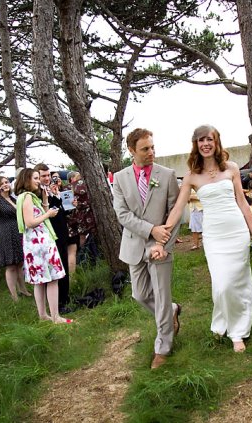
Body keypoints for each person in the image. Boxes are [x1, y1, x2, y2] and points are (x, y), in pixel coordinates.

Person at [164, 125, 252, 353]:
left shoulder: (231, 168)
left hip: (237, 232)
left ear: (216, 142)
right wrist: (163, 233)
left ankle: (237, 332)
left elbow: (242, 202)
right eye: (201, 140)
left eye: (209, 139)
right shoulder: (191, 176)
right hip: (214, 236)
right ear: (196, 145)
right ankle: (222, 321)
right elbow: (178, 208)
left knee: (238, 282)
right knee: (221, 285)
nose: (205, 144)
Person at [112, 128, 182, 369]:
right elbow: (122, 214)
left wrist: (163, 243)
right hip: (134, 244)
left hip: (160, 245)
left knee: (161, 296)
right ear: (131, 150)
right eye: (145, 149)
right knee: (140, 295)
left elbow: (174, 212)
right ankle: (172, 311)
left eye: (152, 147)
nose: (151, 152)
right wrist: (150, 229)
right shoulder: (120, 178)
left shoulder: (167, 175)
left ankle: (163, 347)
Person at [15, 168, 70, 324]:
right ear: (26, 180)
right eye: (35, 178)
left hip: (35, 243)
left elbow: (41, 214)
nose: (38, 181)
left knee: (39, 281)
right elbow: (30, 222)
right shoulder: (27, 197)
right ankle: (56, 317)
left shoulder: (27, 197)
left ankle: (43, 315)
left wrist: (45, 200)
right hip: (39, 243)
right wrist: (48, 214)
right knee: (53, 279)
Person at [34, 164, 73, 314]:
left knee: (64, 268)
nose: (47, 178)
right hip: (50, 236)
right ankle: (59, 303)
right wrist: (53, 198)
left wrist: (62, 200)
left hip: (62, 233)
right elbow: (49, 213)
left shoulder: (51, 190)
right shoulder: (38, 194)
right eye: (43, 176)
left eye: (48, 175)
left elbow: (60, 212)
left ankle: (65, 298)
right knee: (56, 271)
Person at [0, 176, 30, 301]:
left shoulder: (13, 198)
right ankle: (14, 295)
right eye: (2, 183)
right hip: (6, 234)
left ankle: (22, 289)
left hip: (18, 232)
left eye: (6, 182)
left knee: (20, 263)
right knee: (11, 265)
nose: (5, 184)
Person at [66, 171, 97, 272]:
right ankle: (84, 257)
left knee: (83, 238)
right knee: (84, 237)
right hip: (84, 216)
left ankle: (84, 257)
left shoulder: (71, 188)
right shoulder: (75, 187)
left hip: (79, 217)